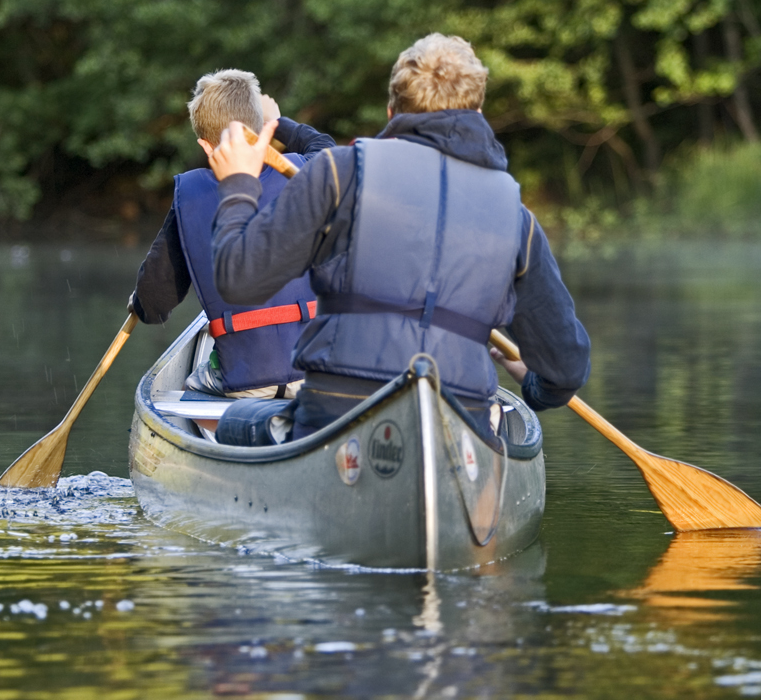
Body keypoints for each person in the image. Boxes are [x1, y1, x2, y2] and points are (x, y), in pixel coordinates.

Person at [200, 33, 591, 444]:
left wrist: (240, 183)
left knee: (236, 420)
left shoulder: (337, 173)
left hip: (337, 414)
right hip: (457, 420)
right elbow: (565, 372)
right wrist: (536, 387)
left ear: (391, 112)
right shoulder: (516, 217)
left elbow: (238, 279)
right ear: (478, 112)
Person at [126, 69, 338, 413]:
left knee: (193, 382)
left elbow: (154, 306)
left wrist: (139, 301)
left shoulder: (189, 200)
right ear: (262, 133)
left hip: (245, 384)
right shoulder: (310, 170)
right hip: (319, 374)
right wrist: (279, 122)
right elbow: (322, 144)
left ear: (205, 145)